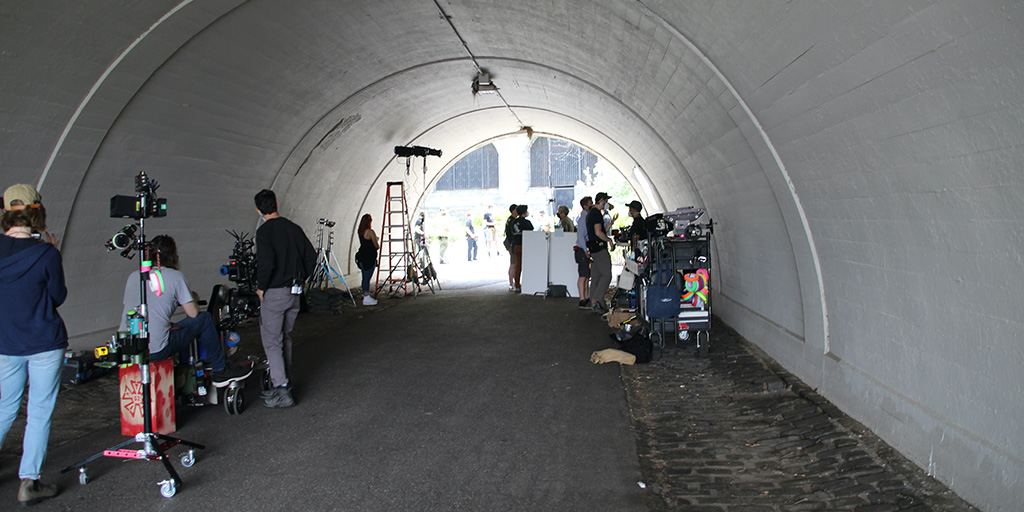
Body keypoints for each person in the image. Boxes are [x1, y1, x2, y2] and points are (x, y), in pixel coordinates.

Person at [0, 184, 65, 506]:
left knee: (4, 406)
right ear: (37, 212)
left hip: (6, 343)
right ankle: (30, 482)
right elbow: (57, 297)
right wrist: (54, 253)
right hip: (44, 342)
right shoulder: (46, 254)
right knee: (38, 411)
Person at [119, 235, 253, 386]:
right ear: (172, 256)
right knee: (205, 318)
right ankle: (220, 371)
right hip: (156, 350)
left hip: (128, 348)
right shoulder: (175, 277)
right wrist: (192, 298)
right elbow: (193, 314)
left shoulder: (133, 276)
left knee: (168, 325)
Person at [254, 189, 316, 408]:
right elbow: (311, 256)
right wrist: (302, 278)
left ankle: (281, 388)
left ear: (258, 210)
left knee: (272, 341)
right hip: (294, 293)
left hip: (275, 293)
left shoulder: (264, 233)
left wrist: (261, 287)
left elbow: (267, 263)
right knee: (285, 336)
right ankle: (285, 379)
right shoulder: (294, 228)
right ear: (276, 204)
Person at [587, 192, 615, 314]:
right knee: (607, 275)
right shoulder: (597, 213)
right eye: (606, 201)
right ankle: (596, 300)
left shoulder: (590, 213)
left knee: (596, 276)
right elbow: (598, 232)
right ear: (602, 200)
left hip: (593, 249)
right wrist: (609, 240)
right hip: (599, 248)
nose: (607, 204)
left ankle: (592, 300)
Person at [354, 213, 380, 306]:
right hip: (369, 258)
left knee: (364, 277)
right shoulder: (370, 232)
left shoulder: (360, 231)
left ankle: (366, 296)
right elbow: (376, 246)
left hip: (361, 256)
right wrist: (376, 240)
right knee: (367, 277)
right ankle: (366, 296)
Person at [574, 196, 593, 309]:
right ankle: (582, 299)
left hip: (585, 249)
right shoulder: (582, 219)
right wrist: (585, 250)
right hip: (581, 250)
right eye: (590, 204)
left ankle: (586, 297)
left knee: (586, 276)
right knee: (583, 275)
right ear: (585, 206)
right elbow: (580, 236)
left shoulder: (587, 218)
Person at [511, 204, 533, 293]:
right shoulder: (527, 223)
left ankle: (517, 285)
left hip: (516, 246)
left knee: (518, 266)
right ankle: (528, 284)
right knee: (528, 266)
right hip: (525, 246)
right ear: (524, 213)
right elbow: (531, 231)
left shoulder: (513, 222)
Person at [503, 204, 518, 291]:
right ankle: (512, 283)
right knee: (514, 263)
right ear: (513, 211)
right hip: (512, 244)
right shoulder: (513, 221)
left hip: (510, 243)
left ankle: (512, 283)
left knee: (513, 263)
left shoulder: (510, 219)